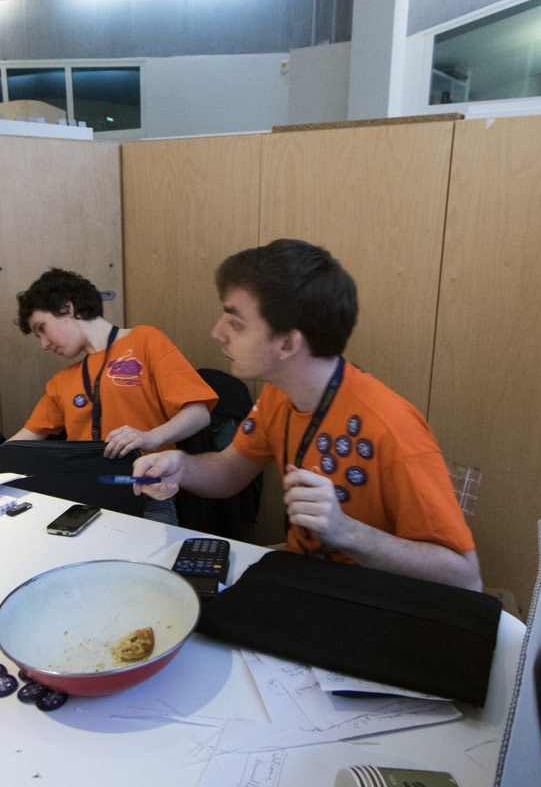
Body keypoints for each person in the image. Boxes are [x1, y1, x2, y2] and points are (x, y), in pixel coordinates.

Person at [133, 239, 481, 590]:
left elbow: (466, 577)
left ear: (287, 343)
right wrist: (180, 465)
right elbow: (229, 472)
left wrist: (348, 532)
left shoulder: (391, 426)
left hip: (370, 596)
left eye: (236, 324)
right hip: (307, 580)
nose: (217, 333)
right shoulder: (279, 394)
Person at [0, 268, 216, 523]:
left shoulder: (145, 340)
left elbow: (198, 413)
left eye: (42, 329)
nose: (44, 344)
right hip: (82, 500)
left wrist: (150, 437)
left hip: (145, 496)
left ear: (67, 308)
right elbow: (20, 441)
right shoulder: (62, 381)